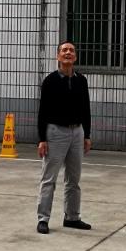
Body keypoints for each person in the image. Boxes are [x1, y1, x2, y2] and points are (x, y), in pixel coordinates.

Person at [35, 40, 92, 234]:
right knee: (49, 178)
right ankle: (43, 219)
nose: (68, 53)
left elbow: (86, 109)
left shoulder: (81, 80)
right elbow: (43, 111)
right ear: (58, 56)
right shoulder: (50, 81)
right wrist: (42, 139)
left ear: (75, 57)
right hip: (55, 133)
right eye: (64, 50)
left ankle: (72, 217)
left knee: (74, 179)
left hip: (77, 133)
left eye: (71, 50)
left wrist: (87, 135)